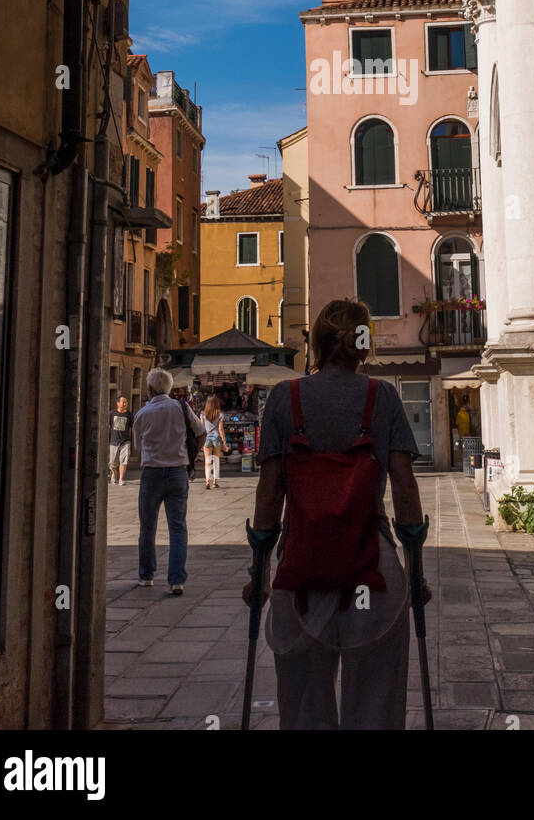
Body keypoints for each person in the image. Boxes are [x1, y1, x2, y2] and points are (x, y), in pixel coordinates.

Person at [243, 298, 431, 730]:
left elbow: (269, 493)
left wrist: (259, 574)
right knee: (376, 705)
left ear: (317, 343)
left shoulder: (284, 398)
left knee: (304, 705)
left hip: (302, 570)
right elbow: (404, 487)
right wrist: (415, 572)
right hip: (373, 572)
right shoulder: (381, 396)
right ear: (362, 346)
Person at [132, 368, 204, 594]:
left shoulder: (143, 413)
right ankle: (176, 580)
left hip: (152, 473)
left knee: (147, 527)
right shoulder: (181, 407)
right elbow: (200, 432)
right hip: (177, 472)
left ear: (150, 389)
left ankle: (146, 575)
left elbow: (137, 447)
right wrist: (191, 454)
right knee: (178, 527)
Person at [201, 395, 227, 489]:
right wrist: (224, 442)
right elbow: (220, 429)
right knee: (216, 461)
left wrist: (200, 442)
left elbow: (202, 429)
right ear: (217, 403)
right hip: (216, 438)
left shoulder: (202, 414)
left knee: (207, 462)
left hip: (207, 438)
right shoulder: (220, 414)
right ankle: (215, 483)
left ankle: (207, 482)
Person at [109, 394, 133, 485]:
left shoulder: (129, 414)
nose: (125, 404)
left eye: (126, 402)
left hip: (125, 441)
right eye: (123, 402)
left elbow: (132, 427)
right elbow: (108, 426)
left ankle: (121, 479)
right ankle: (114, 474)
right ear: (118, 403)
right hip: (114, 441)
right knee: (113, 463)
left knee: (124, 460)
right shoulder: (112, 413)